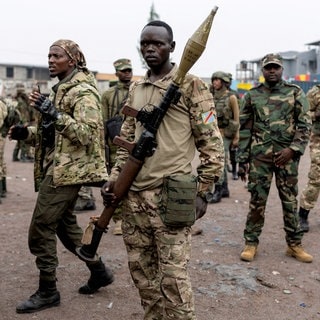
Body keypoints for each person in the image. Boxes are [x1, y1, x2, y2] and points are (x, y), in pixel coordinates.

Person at [101, 20, 224, 319]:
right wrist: (115, 179)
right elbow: (127, 141)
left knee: (173, 280)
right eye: (145, 43)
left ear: (172, 47)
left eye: (157, 43)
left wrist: (202, 192)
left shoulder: (192, 85)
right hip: (133, 200)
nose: (150, 48)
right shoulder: (137, 88)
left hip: (170, 197)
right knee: (143, 276)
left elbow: (212, 146)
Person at [10, 39, 114, 314]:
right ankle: (99, 270)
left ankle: (48, 291)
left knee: (40, 228)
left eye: (57, 56)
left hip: (67, 173)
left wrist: (52, 111)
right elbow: (55, 136)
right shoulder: (62, 90)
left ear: (73, 59)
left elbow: (86, 135)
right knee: (66, 228)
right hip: (59, 169)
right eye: (49, 55)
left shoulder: (83, 92)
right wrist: (26, 133)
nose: (51, 60)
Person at [237, 53, 313, 263]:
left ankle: (294, 244)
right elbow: (244, 129)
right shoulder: (252, 95)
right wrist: (242, 160)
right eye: (268, 67)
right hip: (259, 159)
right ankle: (251, 242)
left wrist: (293, 149)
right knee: (257, 201)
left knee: (289, 200)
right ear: (263, 70)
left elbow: (304, 125)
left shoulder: (295, 93)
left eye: (276, 68)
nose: (272, 71)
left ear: (282, 70)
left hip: (286, 158)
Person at [101, 58, 133, 235]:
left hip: (135, 141)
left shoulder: (139, 90)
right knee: (115, 181)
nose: (127, 73)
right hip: (115, 143)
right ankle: (119, 219)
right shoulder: (108, 95)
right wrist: (103, 144)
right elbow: (103, 121)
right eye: (123, 70)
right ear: (116, 73)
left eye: (129, 70)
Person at [206, 71, 240, 203]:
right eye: (214, 80)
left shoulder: (231, 97)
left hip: (226, 133)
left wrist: (236, 138)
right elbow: (208, 116)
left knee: (219, 161)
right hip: (214, 132)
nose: (215, 82)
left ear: (224, 82)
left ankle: (218, 190)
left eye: (218, 80)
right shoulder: (211, 97)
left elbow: (237, 119)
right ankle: (225, 189)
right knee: (222, 162)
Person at [298, 84, 320, 232]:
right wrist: (317, 115)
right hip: (319, 141)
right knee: (316, 177)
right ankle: (303, 215)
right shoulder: (315, 92)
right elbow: (302, 115)